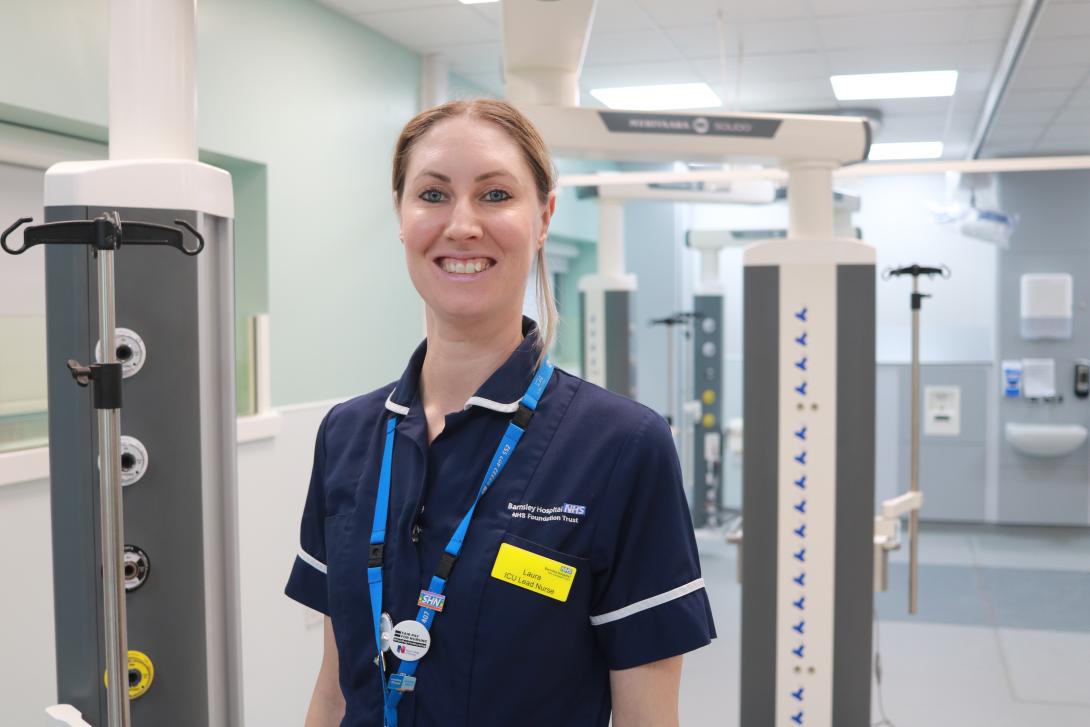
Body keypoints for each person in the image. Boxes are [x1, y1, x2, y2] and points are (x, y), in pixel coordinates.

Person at [285, 99, 715, 727]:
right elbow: (335, 690)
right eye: (432, 194)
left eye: (494, 195)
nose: (461, 225)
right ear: (401, 217)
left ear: (543, 218)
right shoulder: (347, 434)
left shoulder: (624, 446)